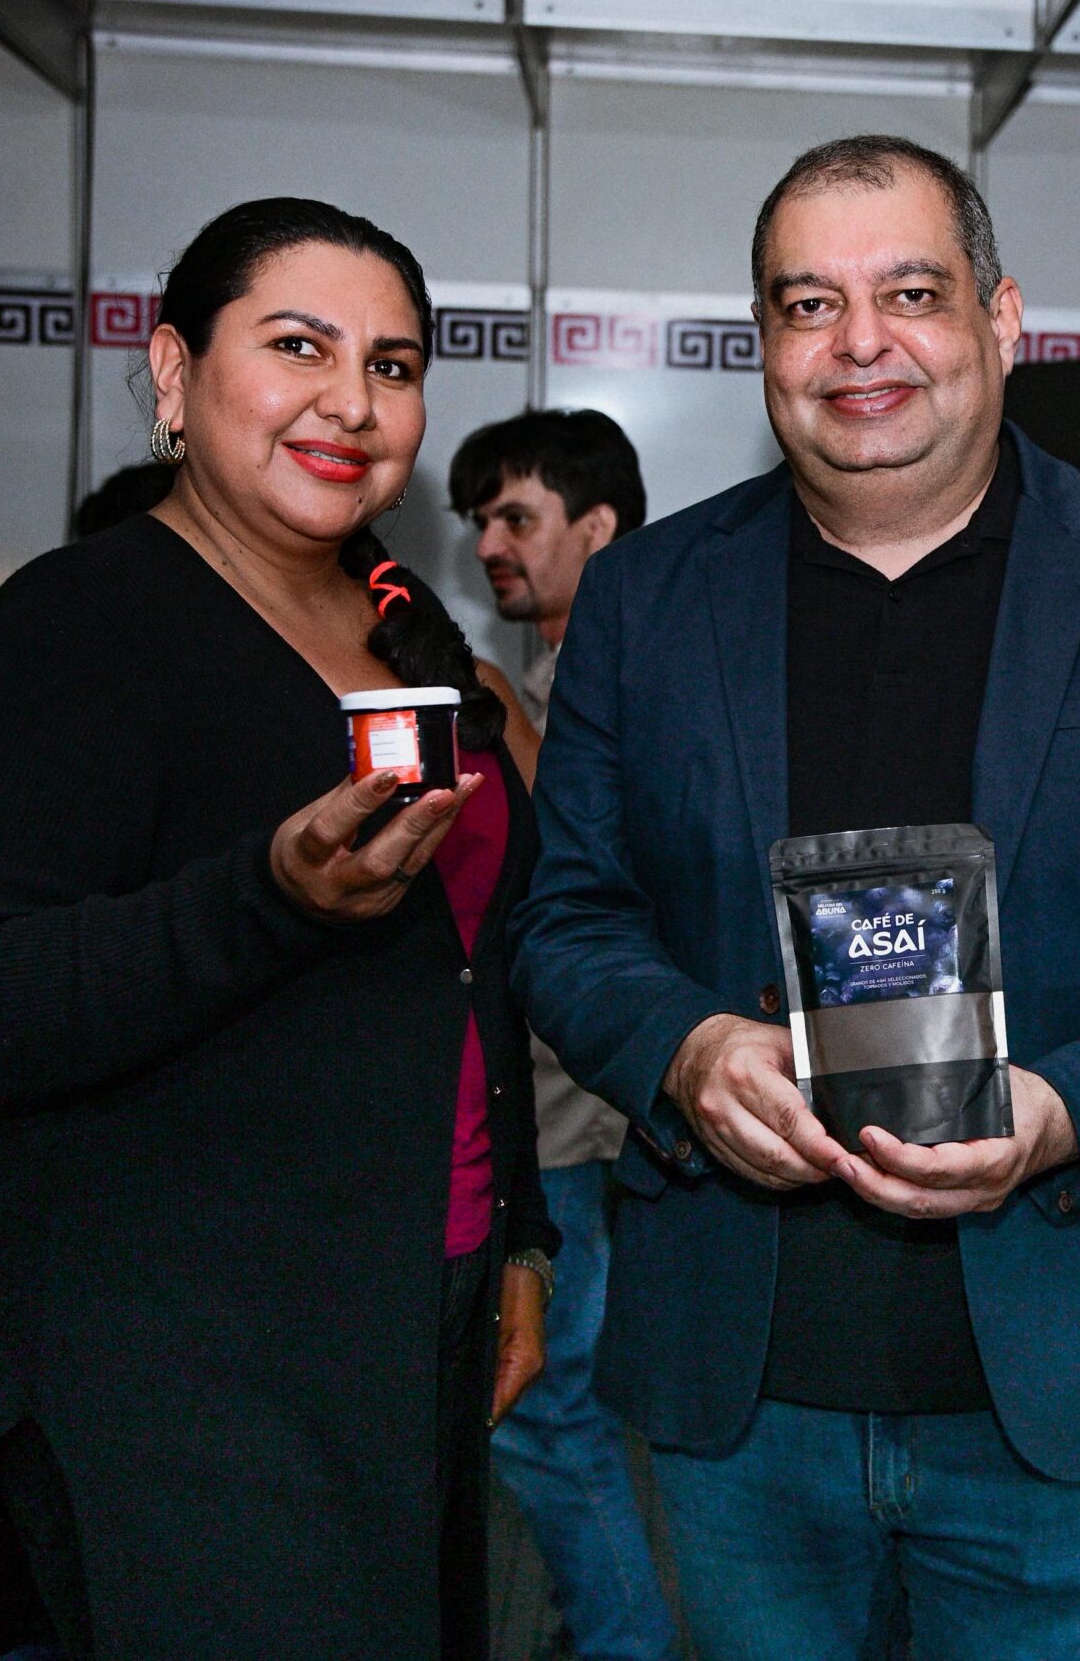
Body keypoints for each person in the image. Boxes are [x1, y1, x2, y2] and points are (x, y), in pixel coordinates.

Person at [512, 135, 1080, 1661]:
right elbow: (566, 917)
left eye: (911, 293)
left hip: (1062, 1374)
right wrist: (688, 1049)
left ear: (1002, 318)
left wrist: (1067, 1107)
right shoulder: (648, 595)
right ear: (764, 343)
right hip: (743, 1387)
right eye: (808, 304)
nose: (859, 343)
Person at [0, 196, 559, 1661]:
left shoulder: (402, 629)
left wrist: (517, 1237)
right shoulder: (74, 625)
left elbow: (468, 965)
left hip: (408, 1306)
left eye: (391, 365)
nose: (351, 401)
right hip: (179, 1352)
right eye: (298, 347)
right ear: (176, 372)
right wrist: (268, 897)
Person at [449, 409, 675, 1661]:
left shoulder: (638, 680)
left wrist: (497, 721)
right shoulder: (534, 681)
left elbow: (594, 873)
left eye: (516, 518)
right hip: (527, 1102)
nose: (490, 543)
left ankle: (621, 1641)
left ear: (598, 527)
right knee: (550, 1407)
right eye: (478, 520)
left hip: (577, 1116)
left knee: (547, 1407)